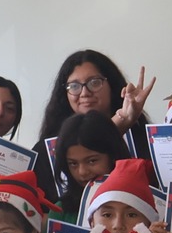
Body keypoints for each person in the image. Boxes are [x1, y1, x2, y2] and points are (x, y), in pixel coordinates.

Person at [31, 50, 156, 202]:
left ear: (112, 86)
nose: (84, 93)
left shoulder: (147, 141)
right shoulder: (46, 151)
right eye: (74, 86)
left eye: (94, 82)